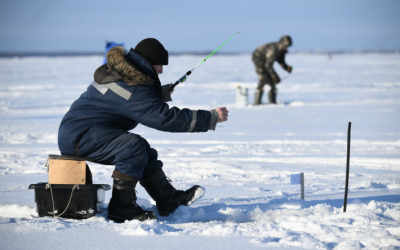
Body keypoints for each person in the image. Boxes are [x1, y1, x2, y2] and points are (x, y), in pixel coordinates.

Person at [57, 38, 229, 222]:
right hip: (80, 136)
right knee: (132, 147)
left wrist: (158, 94)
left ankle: (168, 199)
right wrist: (209, 118)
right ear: (148, 62)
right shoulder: (132, 87)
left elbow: (125, 101)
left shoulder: (123, 75)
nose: (162, 70)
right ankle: (121, 208)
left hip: (78, 131)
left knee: (142, 149)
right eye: (160, 65)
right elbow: (164, 118)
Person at [252, 35, 293, 105]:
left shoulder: (281, 51)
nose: (286, 48)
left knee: (271, 81)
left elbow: (281, 62)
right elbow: (268, 65)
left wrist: (287, 68)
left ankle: (272, 103)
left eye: (287, 47)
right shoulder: (273, 50)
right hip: (258, 58)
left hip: (266, 62)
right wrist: (275, 76)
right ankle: (257, 103)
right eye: (285, 46)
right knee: (264, 78)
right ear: (282, 44)